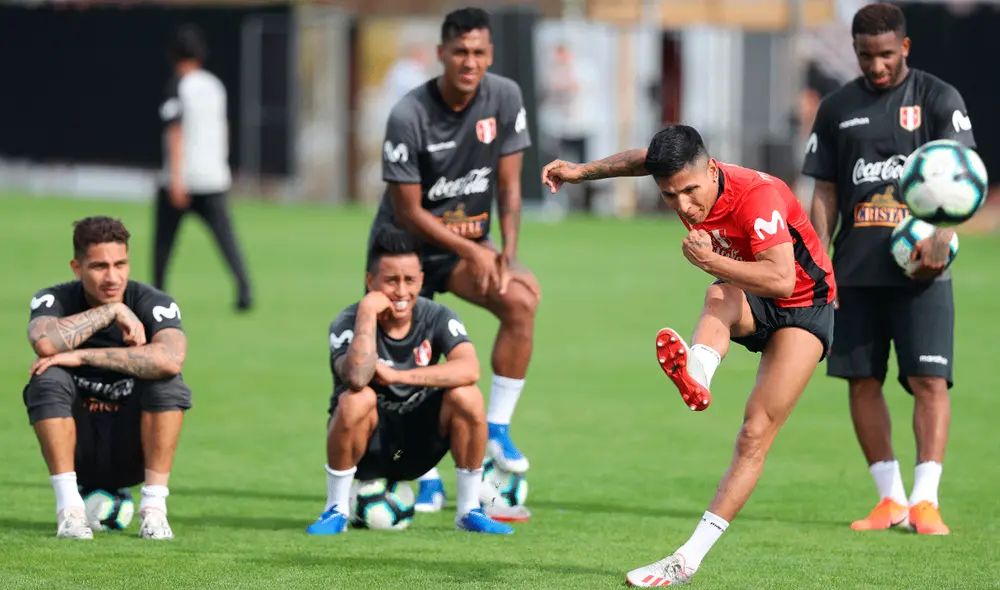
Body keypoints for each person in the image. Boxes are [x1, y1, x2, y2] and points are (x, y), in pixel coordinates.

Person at [542, 125, 836, 586]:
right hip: (750, 293)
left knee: (754, 434)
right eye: (669, 195)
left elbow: (782, 280)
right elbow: (639, 160)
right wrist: (581, 172)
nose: (682, 205)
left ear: (712, 170)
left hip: (804, 302)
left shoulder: (756, 198)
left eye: (690, 191)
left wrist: (710, 260)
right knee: (718, 295)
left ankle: (687, 559)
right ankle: (697, 375)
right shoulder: (680, 177)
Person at [801, 2, 975, 535]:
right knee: (861, 380)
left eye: (885, 55)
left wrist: (940, 242)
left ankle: (926, 502)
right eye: (865, 56)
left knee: (929, 380)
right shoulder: (836, 107)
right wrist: (820, 261)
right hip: (854, 271)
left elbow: (961, 180)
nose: (875, 65)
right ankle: (890, 499)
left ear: (905, 47)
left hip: (923, 272)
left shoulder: (939, 99)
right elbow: (825, 189)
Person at [368, 6, 539, 514]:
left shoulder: (504, 97)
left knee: (521, 300)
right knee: (403, 365)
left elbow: (510, 187)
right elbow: (407, 210)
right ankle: (422, 477)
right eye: (460, 52)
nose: (470, 62)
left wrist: (507, 253)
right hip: (402, 252)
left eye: (478, 52)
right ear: (441, 53)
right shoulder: (409, 114)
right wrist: (473, 250)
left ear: (490, 54)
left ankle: (497, 429)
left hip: (467, 248)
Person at [307, 229, 513, 535]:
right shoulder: (347, 321)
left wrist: (398, 376)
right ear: (370, 282)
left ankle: (469, 510)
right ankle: (335, 509)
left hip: (417, 446)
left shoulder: (438, 315)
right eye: (391, 281)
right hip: (367, 448)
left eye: (410, 280)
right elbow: (357, 377)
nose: (402, 291)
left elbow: (470, 369)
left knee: (467, 396)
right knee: (356, 398)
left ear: (421, 280)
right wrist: (367, 313)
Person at [24, 216, 191, 540]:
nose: (113, 277)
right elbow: (44, 342)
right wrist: (111, 311)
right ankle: (70, 512)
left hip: (132, 449)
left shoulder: (153, 303)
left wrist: (82, 356)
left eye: (120, 264)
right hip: (78, 448)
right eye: (99, 266)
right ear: (77, 268)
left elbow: (170, 359)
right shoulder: (54, 299)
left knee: (168, 384)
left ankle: (154, 511)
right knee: (47, 377)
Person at [154, 23, 253, 312]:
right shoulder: (214, 86)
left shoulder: (178, 85)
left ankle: (156, 295)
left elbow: (175, 132)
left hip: (184, 176)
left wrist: (176, 179)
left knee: (163, 243)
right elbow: (223, 128)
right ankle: (244, 289)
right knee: (226, 239)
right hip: (213, 176)